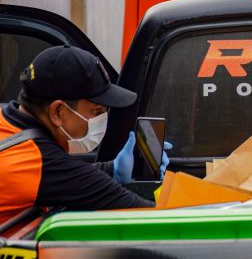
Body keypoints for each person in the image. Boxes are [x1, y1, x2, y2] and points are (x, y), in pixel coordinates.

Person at [0, 45, 165, 224]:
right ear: (58, 112)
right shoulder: (37, 162)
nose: (102, 119)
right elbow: (143, 214)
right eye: (95, 112)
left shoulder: (6, 120)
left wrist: (113, 170)